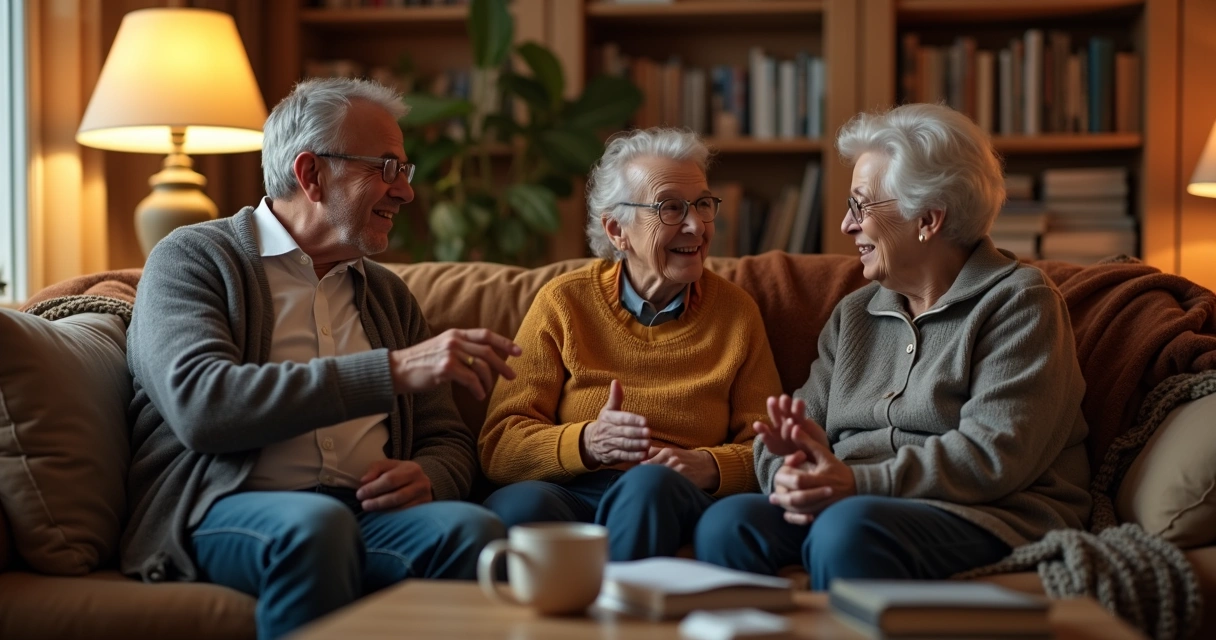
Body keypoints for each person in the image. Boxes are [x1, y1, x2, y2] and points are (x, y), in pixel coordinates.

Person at [122, 77, 520, 639]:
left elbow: (446, 436)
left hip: (368, 514)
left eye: (404, 171)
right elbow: (201, 405)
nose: (405, 192)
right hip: (225, 505)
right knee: (317, 526)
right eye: (385, 168)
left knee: (472, 532)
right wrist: (391, 370)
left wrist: (428, 477)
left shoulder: (385, 295)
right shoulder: (194, 259)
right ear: (311, 174)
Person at [695, 103, 1092, 588]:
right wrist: (794, 466)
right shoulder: (855, 314)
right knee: (727, 523)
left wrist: (857, 482)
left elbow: (995, 455)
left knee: (846, 532)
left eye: (861, 206)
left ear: (927, 218)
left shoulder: (1019, 302)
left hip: (990, 513)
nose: (846, 225)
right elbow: (791, 429)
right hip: (853, 501)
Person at [477, 128, 783, 561]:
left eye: (702, 205)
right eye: (671, 208)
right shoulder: (564, 302)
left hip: (671, 495)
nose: (696, 225)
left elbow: (769, 447)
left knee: (648, 485)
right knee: (520, 506)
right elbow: (499, 446)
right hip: (574, 491)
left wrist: (709, 465)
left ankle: (617, 619)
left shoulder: (736, 313)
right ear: (617, 229)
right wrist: (588, 442)